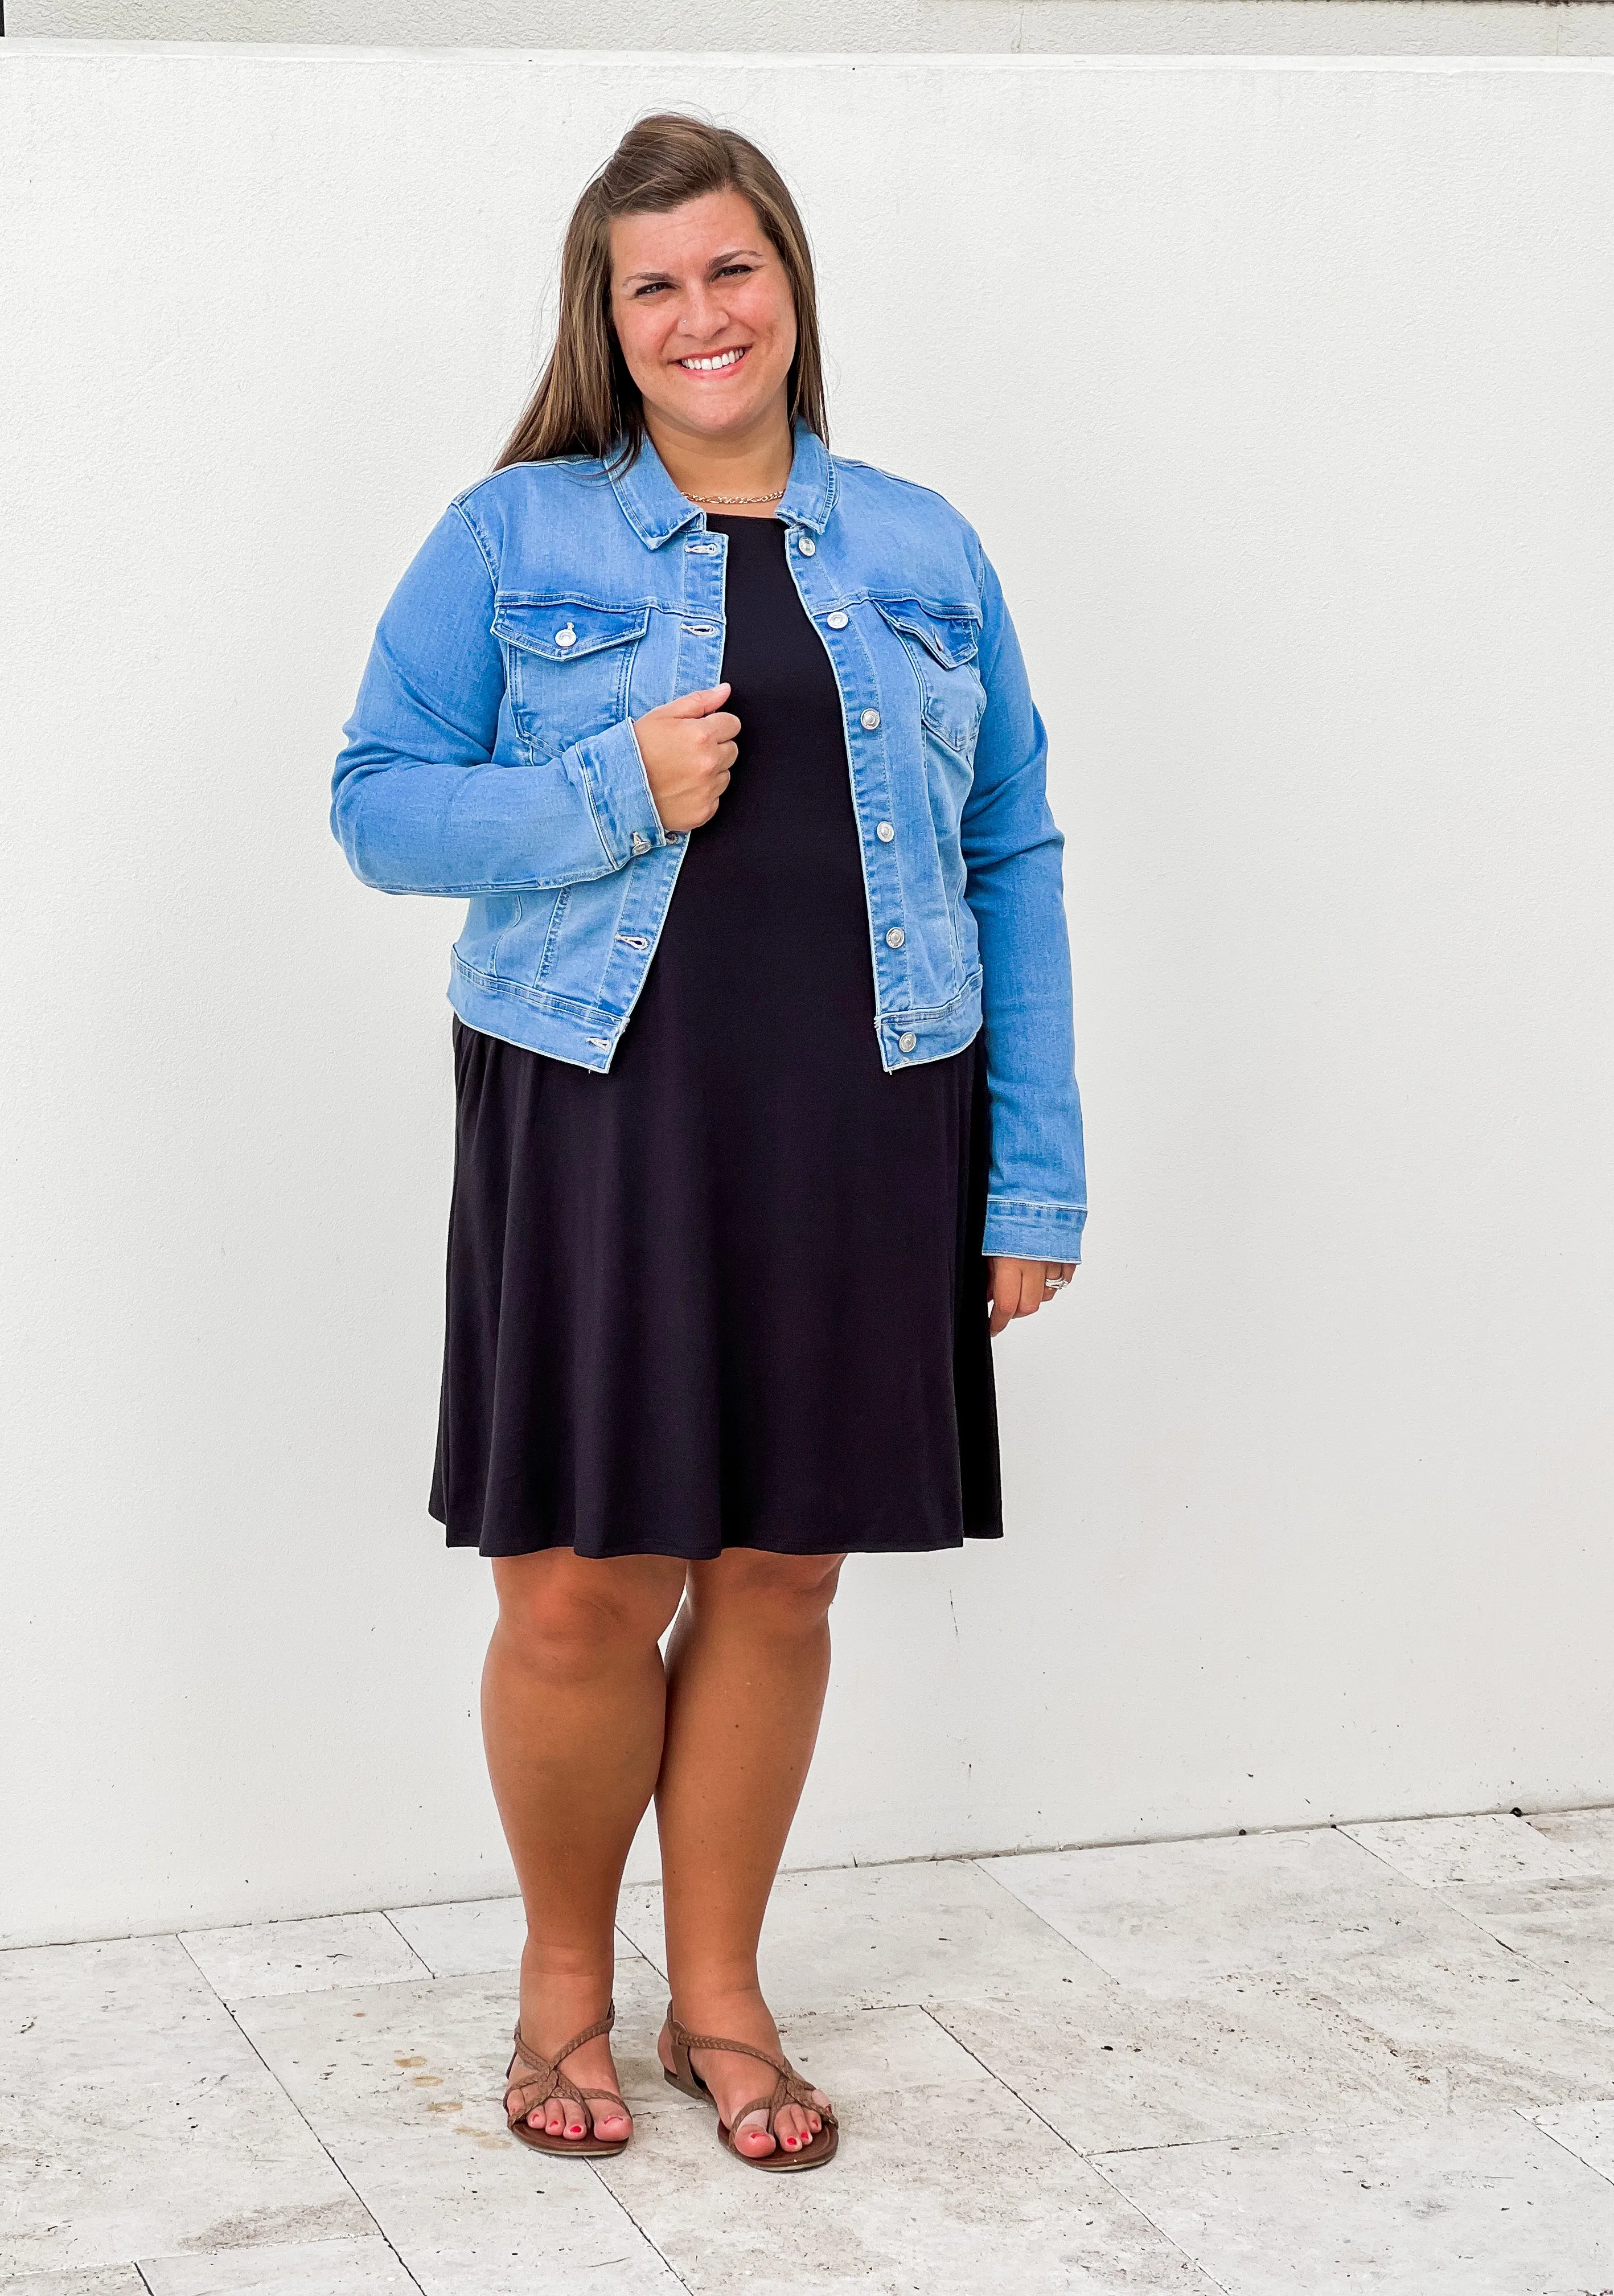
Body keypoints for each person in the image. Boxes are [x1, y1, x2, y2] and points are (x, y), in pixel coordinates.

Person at [330, 110, 1085, 2175]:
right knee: (579, 1581)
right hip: (604, 1106)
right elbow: (379, 799)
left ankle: (721, 1999)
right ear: (608, 316)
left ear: (792, 285)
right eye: (652, 283)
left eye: (728, 270)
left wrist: (1035, 1173)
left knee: (779, 1569)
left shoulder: (924, 547)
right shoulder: (513, 539)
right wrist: (601, 787)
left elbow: (1010, 846)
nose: (698, 314)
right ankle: (561, 1998)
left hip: (870, 1104)